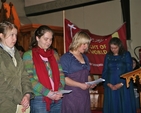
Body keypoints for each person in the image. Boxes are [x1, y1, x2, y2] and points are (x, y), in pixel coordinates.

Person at [23, 25, 65, 113]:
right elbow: (29, 78)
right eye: (46, 39)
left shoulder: (54, 54)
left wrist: (60, 90)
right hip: (39, 99)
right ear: (37, 38)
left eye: (51, 39)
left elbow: (61, 74)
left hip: (57, 98)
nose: (49, 42)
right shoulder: (28, 55)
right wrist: (48, 93)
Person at [0, 21, 34, 113]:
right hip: (4, 103)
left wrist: (27, 94)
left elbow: (24, 75)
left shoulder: (16, 53)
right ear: (1, 35)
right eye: (11, 35)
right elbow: (2, 84)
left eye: (16, 35)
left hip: (20, 103)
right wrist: (20, 98)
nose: (15, 38)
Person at [60, 31, 96, 113]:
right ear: (77, 42)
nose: (86, 46)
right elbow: (64, 78)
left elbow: (87, 74)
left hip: (84, 96)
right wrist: (80, 85)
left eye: (87, 44)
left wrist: (91, 83)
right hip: (71, 96)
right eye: (84, 44)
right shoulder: (66, 58)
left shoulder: (85, 57)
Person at [102, 37, 136, 113]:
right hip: (110, 85)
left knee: (125, 107)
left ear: (119, 46)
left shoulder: (126, 54)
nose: (113, 50)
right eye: (111, 48)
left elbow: (129, 71)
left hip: (124, 85)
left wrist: (121, 83)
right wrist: (108, 84)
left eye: (115, 48)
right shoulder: (108, 56)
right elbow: (105, 71)